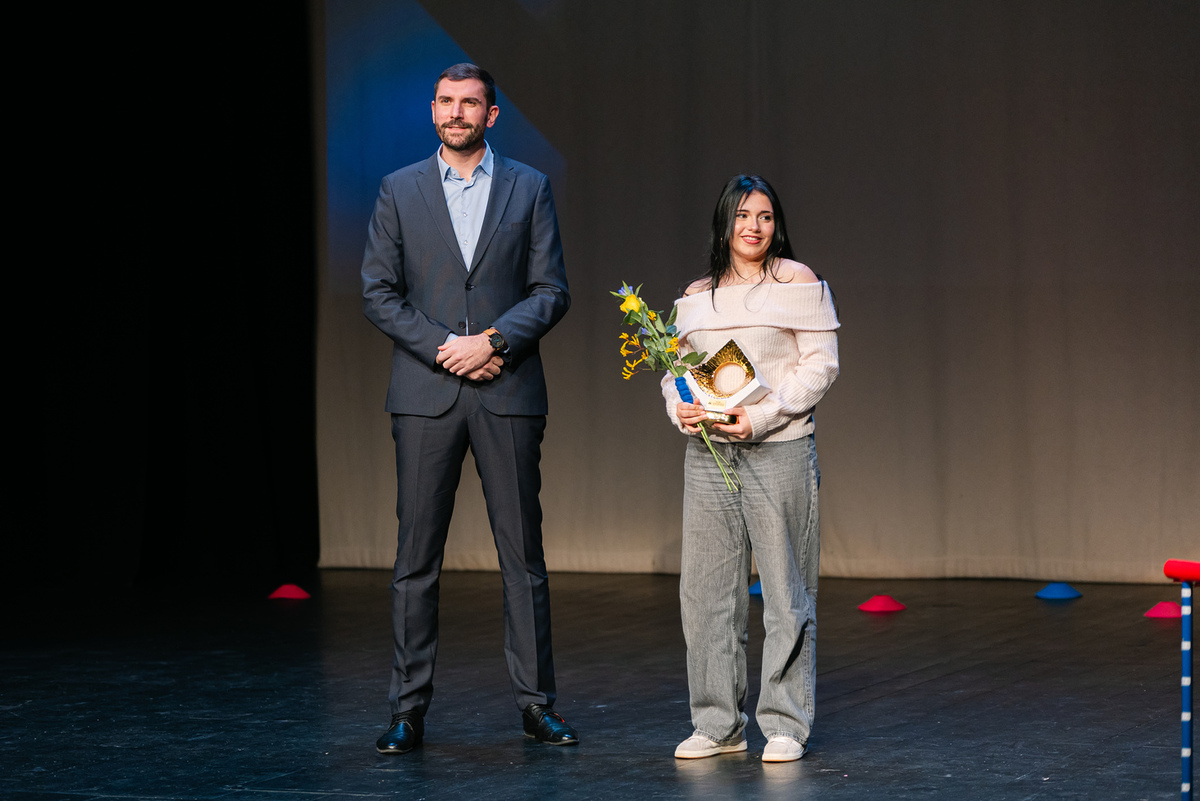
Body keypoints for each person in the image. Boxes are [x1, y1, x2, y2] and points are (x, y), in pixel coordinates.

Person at [361, 63, 576, 754]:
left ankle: (537, 705)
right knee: (415, 560)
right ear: (432, 110)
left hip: (507, 391)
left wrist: (493, 342)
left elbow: (551, 290)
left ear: (492, 115)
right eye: (446, 102)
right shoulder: (398, 189)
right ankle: (407, 710)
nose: (457, 113)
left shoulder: (528, 186)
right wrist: (447, 349)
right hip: (426, 397)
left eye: (471, 103)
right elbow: (378, 292)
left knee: (523, 558)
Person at [661, 174, 840, 763]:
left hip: (779, 448)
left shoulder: (797, 280)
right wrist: (681, 409)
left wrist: (760, 417)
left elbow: (821, 365)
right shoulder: (698, 294)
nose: (753, 226)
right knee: (706, 593)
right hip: (710, 453)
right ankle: (718, 725)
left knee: (786, 589)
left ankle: (785, 724)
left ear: (775, 224)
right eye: (742, 215)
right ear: (725, 223)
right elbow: (675, 370)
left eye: (764, 216)